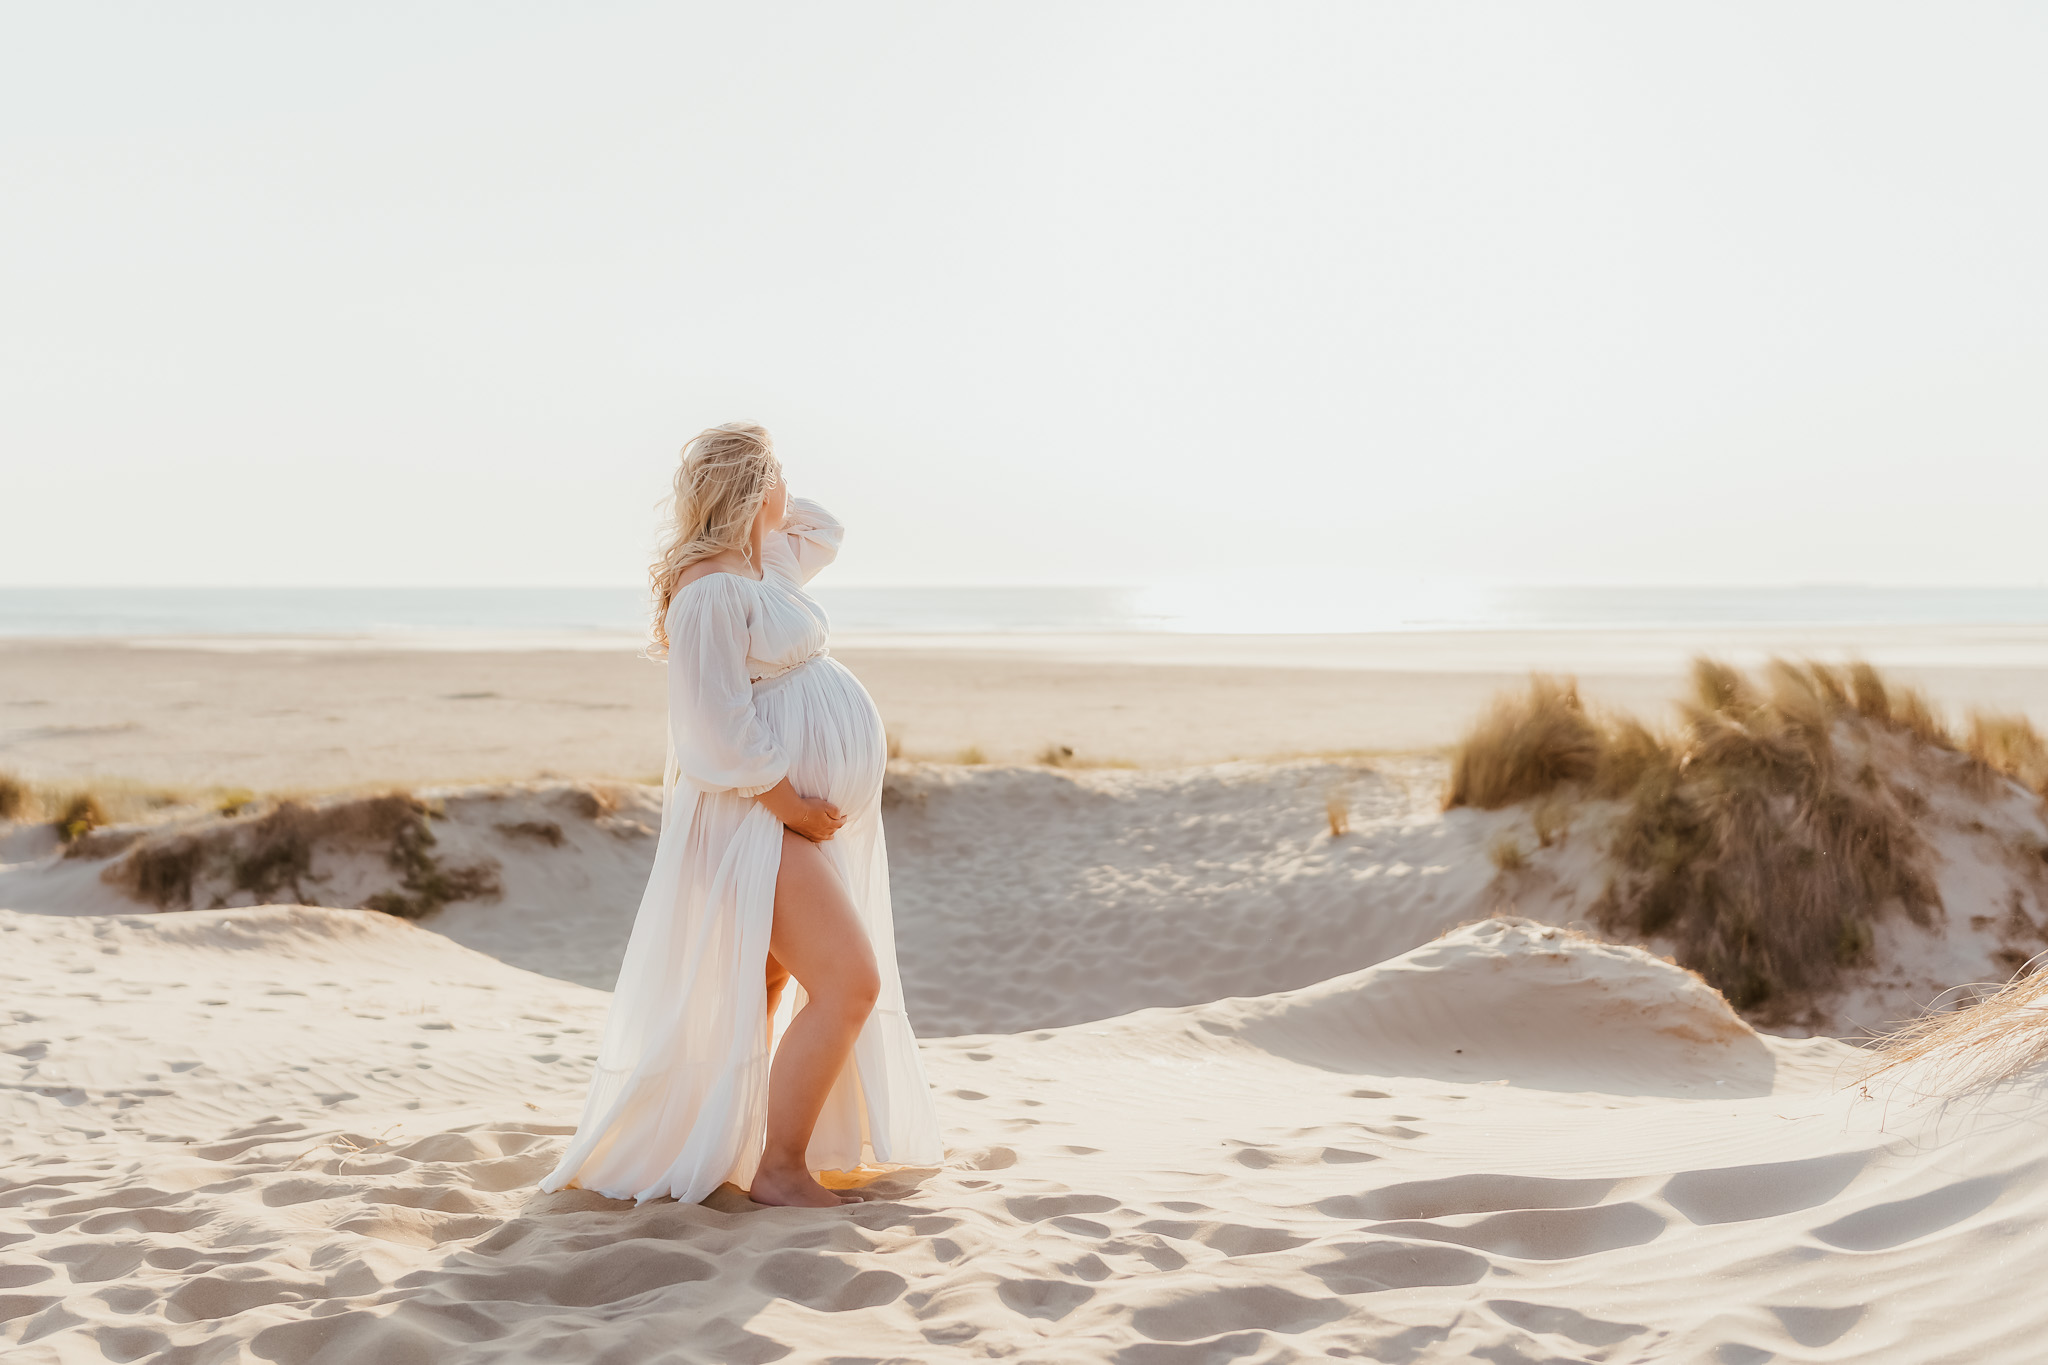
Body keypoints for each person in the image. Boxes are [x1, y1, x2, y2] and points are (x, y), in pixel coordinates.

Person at [539, 422, 943, 1207]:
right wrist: (791, 802)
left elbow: (825, 526)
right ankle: (782, 1168)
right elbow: (713, 728)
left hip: (782, 822)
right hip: (755, 821)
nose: (790, 491)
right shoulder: (709, 589)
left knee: (763, 982)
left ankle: (741, 1142)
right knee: (848, 982)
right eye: (776, 477)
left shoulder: (768, 567)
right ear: (755, 489)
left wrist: (761, 490)